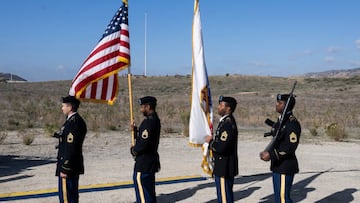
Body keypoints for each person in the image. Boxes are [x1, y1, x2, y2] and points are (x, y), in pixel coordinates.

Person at [260, 94, 301, 203]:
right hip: (278, 165)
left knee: (283, 199)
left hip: (285, 166)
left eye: (280, 103)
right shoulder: (281, 121)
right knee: (278, 198)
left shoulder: (292, 124)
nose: (277, 104)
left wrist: (271, 155)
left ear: (287, 106)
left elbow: (290, 147)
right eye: (277, 102)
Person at [53, 95, 87, 203]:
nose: (62, 108)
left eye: (64, 106)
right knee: (70, 196)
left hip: (69, 166)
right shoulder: (71, 121)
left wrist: (65, 168)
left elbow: (71, 147)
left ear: (70, 107)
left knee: (67, 198)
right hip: (71, 165)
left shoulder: (74, 123)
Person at [205, 96, 238, 203]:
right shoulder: (225, 122)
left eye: (221, 105)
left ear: (228, 108)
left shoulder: (227, 124)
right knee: (225, 196)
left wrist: (210, 142)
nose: (218, 107)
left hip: (224, 166)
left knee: (224, 198)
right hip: (223, 165)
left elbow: (221, 147)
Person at [130, 96, 161, 203]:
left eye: (142, 107)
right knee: (149, 193)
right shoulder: (155, 120)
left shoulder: (148, 122)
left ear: (148, 107)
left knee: (143, 195)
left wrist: (134, 150)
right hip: (150, 162)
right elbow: (147, 137)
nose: (141, 109)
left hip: (144, 163)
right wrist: (135, 132)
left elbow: (143, 143)